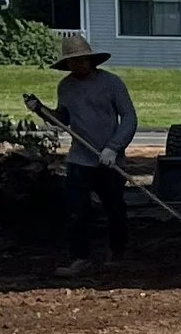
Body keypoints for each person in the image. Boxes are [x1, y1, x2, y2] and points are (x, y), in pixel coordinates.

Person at [53, 32, 138, 270]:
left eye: (81, 59)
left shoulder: (111, 83)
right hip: (81, 158)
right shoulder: (66, 87)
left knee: (114, 207)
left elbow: (129, 117)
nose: (77, 64)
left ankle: (118, 253)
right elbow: (64, 118)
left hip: (109, 160)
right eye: (72, 61)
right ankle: (80, 257)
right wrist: (43, 111)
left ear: (91, 60)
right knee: (76, 210)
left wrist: (114, 147)